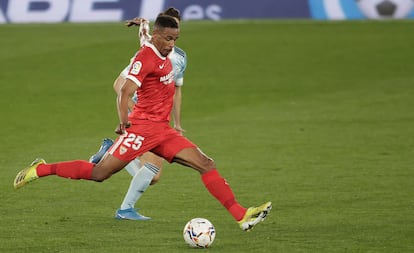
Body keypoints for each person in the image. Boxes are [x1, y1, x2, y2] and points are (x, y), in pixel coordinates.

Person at [13, 15, 272, 231]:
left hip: (163, 130)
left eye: (176, 39)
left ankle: (241, 215)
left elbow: (146, 35)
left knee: (205, 163)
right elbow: (125, 90)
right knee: (99, 174)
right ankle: (41, 169)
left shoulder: (155, 42)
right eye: (169, 39)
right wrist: (123, 124)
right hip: (141, 130)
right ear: (159, 37)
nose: (172, 45)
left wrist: (142, 24)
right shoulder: (144, 58)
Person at [89, 8, 188, 221]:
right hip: (144, 118)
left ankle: (109, 154)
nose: (173, 36)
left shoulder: (179, 58)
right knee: (152, 170)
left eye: (176, 31)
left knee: (153, 175)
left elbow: (176, 90)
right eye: (169, 30)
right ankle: (125, 209)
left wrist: (177, 122)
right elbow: (120, 84)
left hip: (159, 119)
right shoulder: (146, 54)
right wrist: (136, 113)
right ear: (160, 31)